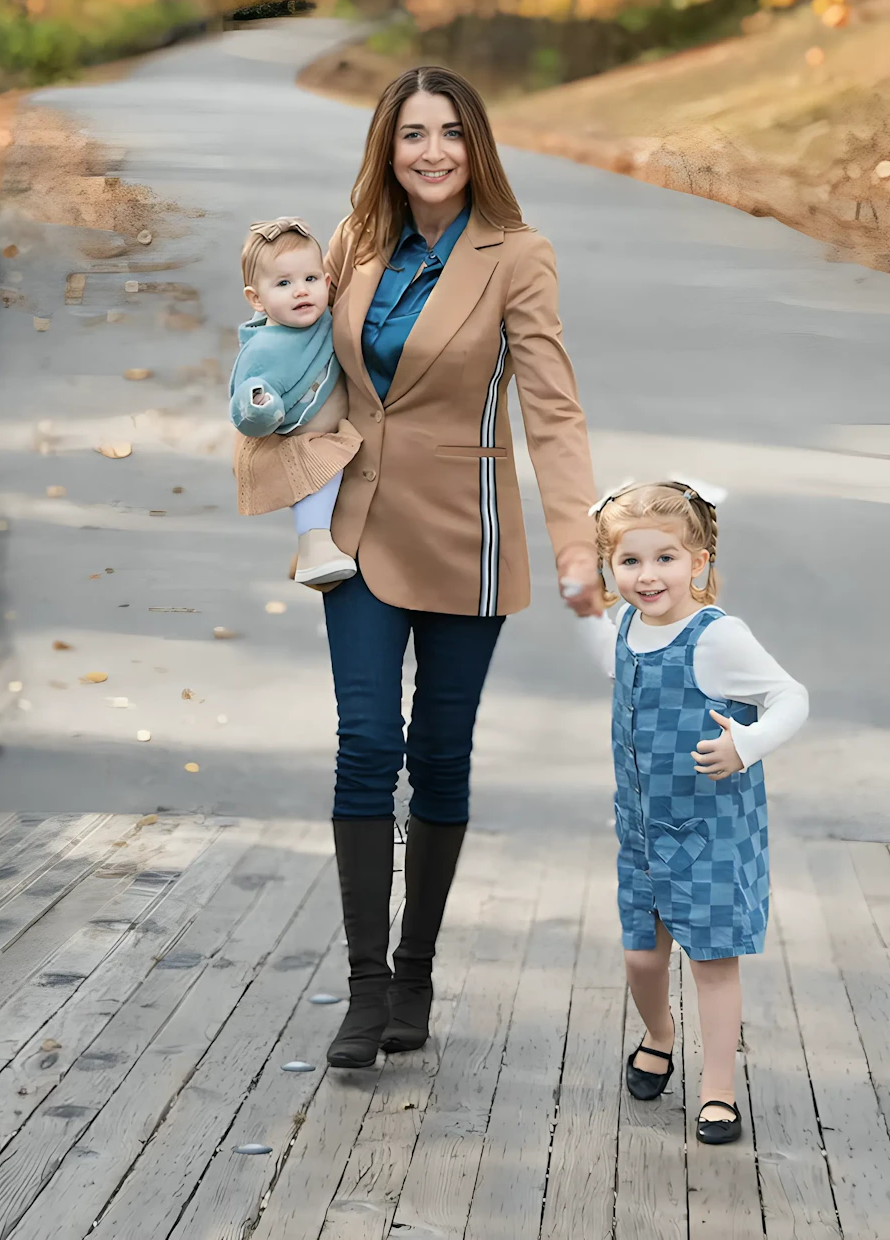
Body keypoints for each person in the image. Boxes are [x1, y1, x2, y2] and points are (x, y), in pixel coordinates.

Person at [318, 65, 602, 1069]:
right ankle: (364, 990)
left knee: (439, 753)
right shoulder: (354, 243)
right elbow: (299, 359)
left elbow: (552, 408)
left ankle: (416, 970)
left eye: (448, 133)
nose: (430, 151)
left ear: (475, 146)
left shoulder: (517, 255)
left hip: (464, 533)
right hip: (357, 528)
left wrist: (578, 539)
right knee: (366, 743)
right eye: (411, 134)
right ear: (387, 150)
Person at [578, 480, 808, 1144]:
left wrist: (746, 744)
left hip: (710, 834)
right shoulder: (623, 629)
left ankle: (718, 1089)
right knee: (642, 959)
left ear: (699, 561)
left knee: (711, 962)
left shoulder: (718, 638)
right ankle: (659, 1033)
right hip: (643, 835)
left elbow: (790, 696)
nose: (648, 576)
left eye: (666, 558)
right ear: (609, 566)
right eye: (630, 561)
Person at [228, 217, 363, 588]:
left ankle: (317, 547)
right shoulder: (265, 347)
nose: (301, 291)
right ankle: (313, 547)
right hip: (293, 442)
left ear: (328, 283)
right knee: (320, 469)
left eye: (310, 279)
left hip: (326, 430)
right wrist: (258, 402)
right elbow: (244, 393)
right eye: (284, 283)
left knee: (328, 473)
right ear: (256, 299)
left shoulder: (324, 320)